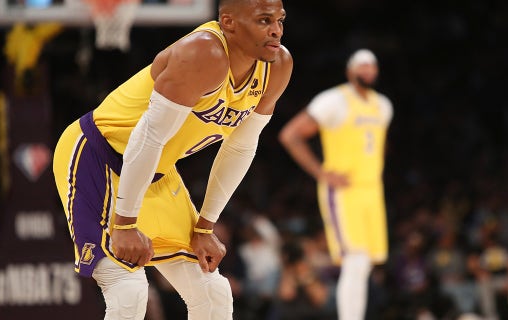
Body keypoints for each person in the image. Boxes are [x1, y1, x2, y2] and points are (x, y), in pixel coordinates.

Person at [51, 0, 292, 318]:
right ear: (229, 22)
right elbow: (148, 137)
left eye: (279, 20)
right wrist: (125, 222)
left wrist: (205, 228)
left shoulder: (277, 65)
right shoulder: (203, 53)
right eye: (264, 20)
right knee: (129, 290)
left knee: (213, 292)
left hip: (156, 170)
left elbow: (241, 147)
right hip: (98, 156)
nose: (276, 30)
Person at [278, 48, 393, 320]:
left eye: (371, 66)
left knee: (365, 264)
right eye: (361, 66)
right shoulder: (333, 101)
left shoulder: (384, 106)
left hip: (372, 190)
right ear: (350, 71)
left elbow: (376, 144)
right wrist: (321, 173)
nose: (367, 71)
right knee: (355, 261)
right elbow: (290, 135)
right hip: (343, 190)